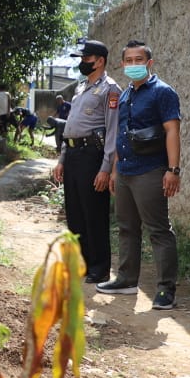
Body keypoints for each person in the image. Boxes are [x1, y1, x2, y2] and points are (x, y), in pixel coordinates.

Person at [98, 40, 182, 310]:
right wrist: (114, 170)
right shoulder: (124, 95)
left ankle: (165, 290)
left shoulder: (163, 93)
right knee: (126, 228)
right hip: (125, 171)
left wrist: (173, 170)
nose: (133, 64)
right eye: (128, 60)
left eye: (139, 59)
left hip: (151, 170)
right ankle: (126, 279)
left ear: (149, 63)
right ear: (122, 64)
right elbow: (121, 136)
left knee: (158, 231)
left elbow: (172, 131)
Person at [51, 40, 120, 283]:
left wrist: (106, 168)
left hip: (93, 155)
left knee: (94, 213)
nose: (81, 63)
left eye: (85, 58)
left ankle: (99, 268)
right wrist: (62, 159)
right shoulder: (81, 88)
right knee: (75, 212)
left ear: (99, 61)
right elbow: (70, 127)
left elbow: (113, 131)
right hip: (72, 155)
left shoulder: (111, 89)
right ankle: (81, 263)